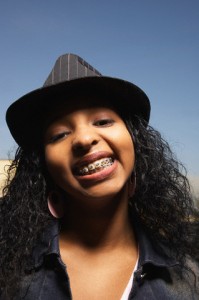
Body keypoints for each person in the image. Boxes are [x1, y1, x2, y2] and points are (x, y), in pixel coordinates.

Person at [0, 53, 198, 300]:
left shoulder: (190, 280)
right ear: (43, 168)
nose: (84, 139)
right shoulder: (9, 277)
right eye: (59, 134)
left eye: (103, 121)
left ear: (136, 145)